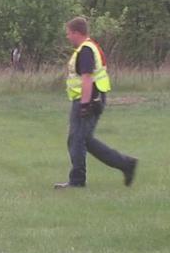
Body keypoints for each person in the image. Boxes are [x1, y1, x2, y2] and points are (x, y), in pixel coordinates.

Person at [54, 17, 137, 189]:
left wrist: (84, 105)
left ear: (77, 33)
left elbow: (86, 78)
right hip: (92, 97)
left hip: (89, 99)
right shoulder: (89, 47)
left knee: (77, 139)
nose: (68, 37)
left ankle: (77, 181)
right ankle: (126, 164)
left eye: (69, 34)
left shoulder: (85, 51)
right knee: (85, 140)